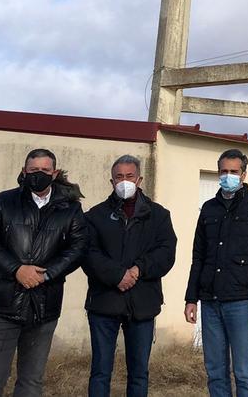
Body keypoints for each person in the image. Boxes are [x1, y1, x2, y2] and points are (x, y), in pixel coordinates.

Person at [0, 148, 88, 397]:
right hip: (2, 304)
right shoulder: (2, 202)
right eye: (33, 170)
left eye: (45, 171)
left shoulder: (70, 209)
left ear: (55, 173)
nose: (39, 175)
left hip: (44, 306)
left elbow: (78, 249)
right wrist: (17, 269)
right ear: (24, 172)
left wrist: (46, 274)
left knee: (31, 382)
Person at [184, 149, 248, 397]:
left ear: (244, 174)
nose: (228, 176)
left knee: (244, 372)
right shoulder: (208, 209)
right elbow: (198, 256)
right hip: (211, 301)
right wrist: (191, 298)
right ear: (218, 173)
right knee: (215, 371)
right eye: (224, 171)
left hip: (243, 301)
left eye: (234, 172)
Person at [82, 154, 178, 397]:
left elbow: (166, 253)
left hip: (142, 305)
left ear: (140, 179)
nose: (124, 181)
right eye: (119, 177)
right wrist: (117, 275)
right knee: (100, 371)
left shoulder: (159, 215)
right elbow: (88, 254)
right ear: (111, 181)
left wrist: (138, 269)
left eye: (129, 176)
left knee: (139, 374)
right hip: (104, 303)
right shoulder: (95, 215)